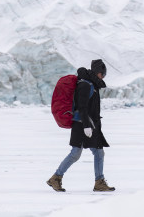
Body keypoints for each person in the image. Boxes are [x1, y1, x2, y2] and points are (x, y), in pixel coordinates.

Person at [47, 59, 115, 192]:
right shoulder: (85, 84)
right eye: (102, 74)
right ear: (97, 72)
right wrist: (86, 125)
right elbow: (82, 107)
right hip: (82, 124)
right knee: (76, 153)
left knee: (98, 152)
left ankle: (99, 182)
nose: (103, 77)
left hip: (90, 124)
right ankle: (56, 177)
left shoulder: (91, 84)